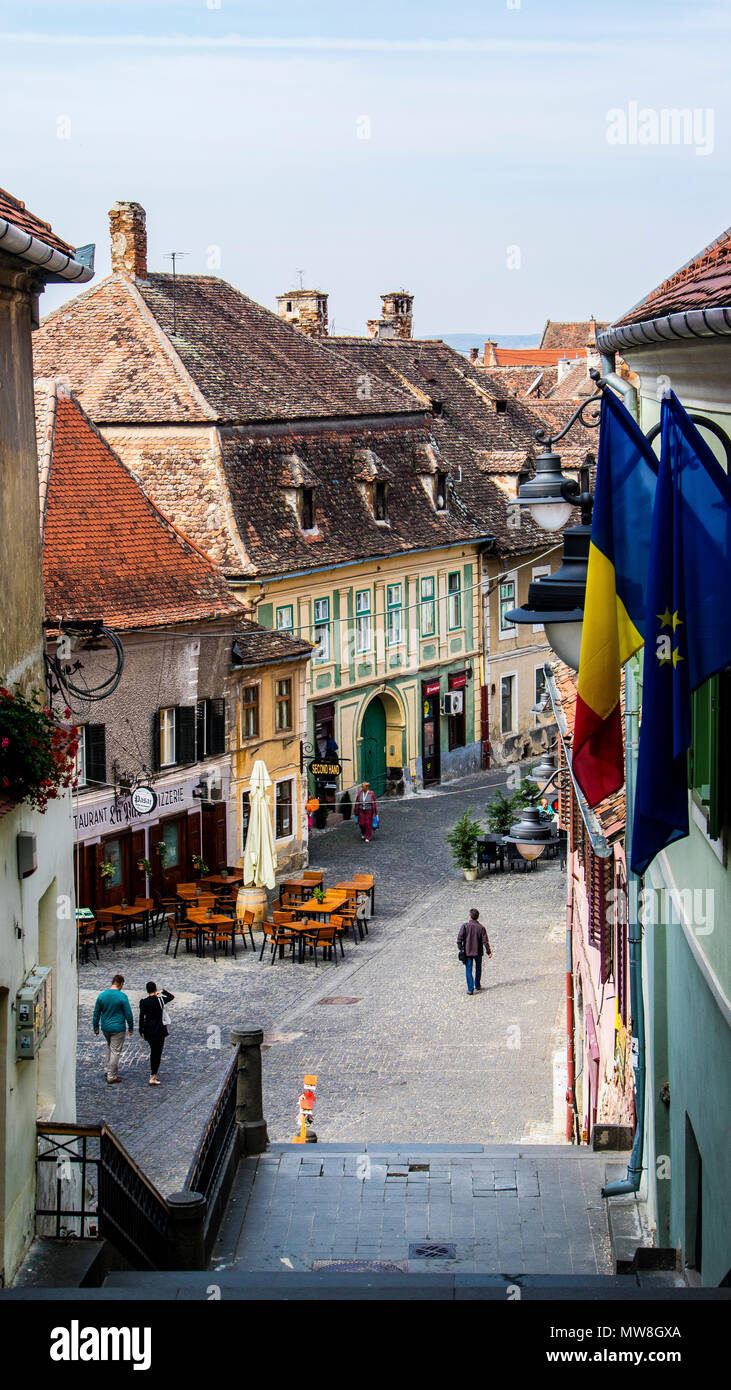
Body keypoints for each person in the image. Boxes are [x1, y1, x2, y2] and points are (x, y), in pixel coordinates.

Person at [92, 974, 134, 1083]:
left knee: (109, 1047)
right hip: (118, 1028)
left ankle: (108, 1069)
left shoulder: (102, 996)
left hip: (106, 1027)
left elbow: (96, 1013)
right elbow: (128, 1013)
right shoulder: (122, 997)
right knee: (115, 1051)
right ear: (120, 984)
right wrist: (131, 1027)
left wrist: (95, 1027)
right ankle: (111, 1075)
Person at [139, 981, 175, 1086]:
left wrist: (141, 1030)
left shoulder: (143, 1002)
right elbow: (171, 997)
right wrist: (163, 991)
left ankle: (153, 1074)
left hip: (148, 1030)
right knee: (157, 1053)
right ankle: (153, 1075)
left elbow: (141, 1017)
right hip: (159, 1030)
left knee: (153, 1051)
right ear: (155, 989)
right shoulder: (160, 1000)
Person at [457, 908, 493, 996]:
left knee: (468, 970)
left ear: (470, 917)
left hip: (468, 952)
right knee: (478, 968)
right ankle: (477, 985)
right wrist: (489, 952)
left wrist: (461, 948)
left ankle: (470, 989)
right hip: (478, 952)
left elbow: (459, 939)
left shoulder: (465, 926)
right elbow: (485, 941)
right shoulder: (481, 928)